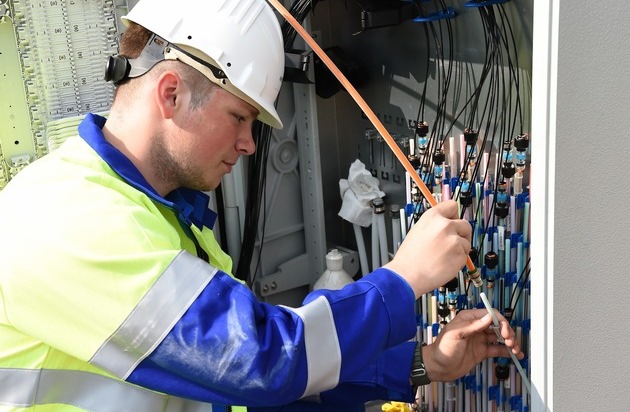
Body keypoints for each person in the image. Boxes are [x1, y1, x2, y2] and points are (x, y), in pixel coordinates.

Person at [0, 0, 523, 410]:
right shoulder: (68, 218)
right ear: (170, 93)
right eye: (240, 117)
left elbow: (232, 393)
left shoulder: (161, 217)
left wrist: (421, 363)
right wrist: (403, 277)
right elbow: (262, 363)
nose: (250, 144)